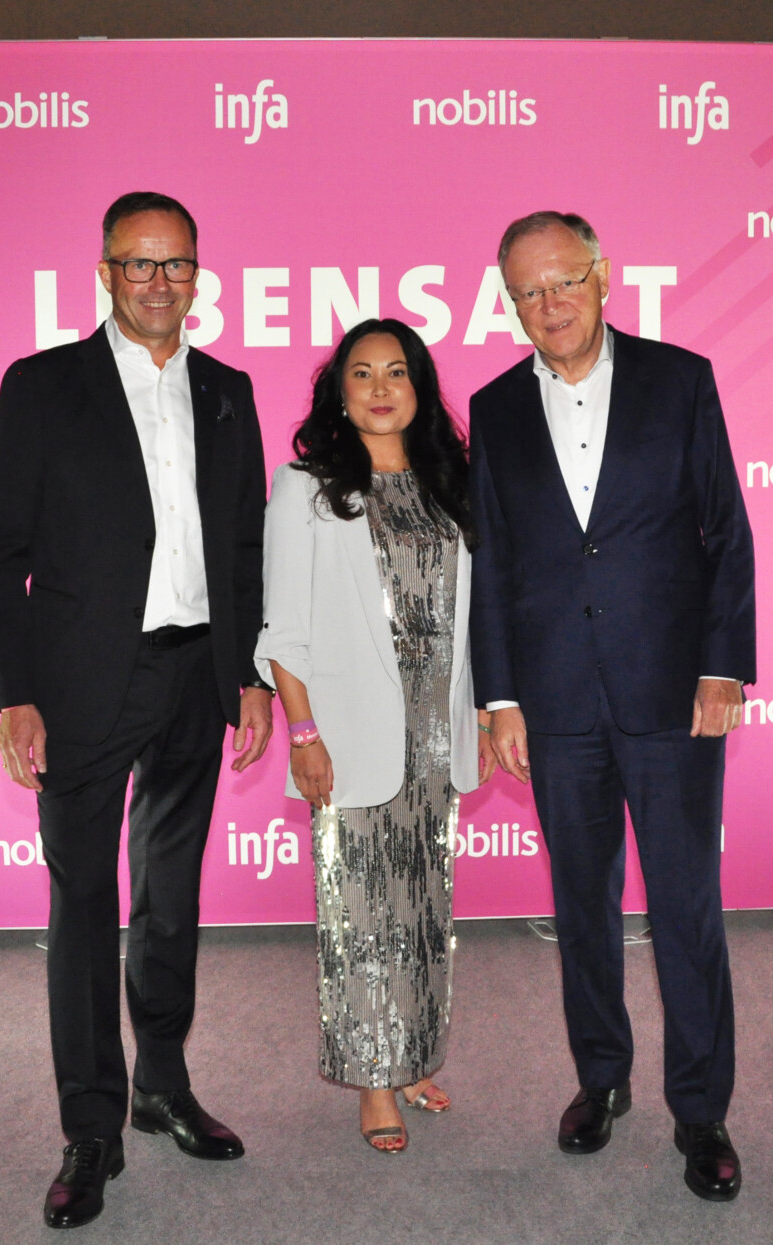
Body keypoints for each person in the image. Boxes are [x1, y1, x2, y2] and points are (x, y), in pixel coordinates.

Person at [0, 191, 275, 1229]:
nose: (158, 281)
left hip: (197, 677)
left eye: (176, 263)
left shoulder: (229, 391)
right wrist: (14, 692)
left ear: (198, 275)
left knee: (171, 900)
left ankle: (162, 1083)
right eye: (138, 263)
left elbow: (245, 547)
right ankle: (91, 1126)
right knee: (84, 907)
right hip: (78, 686)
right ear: (105, 272)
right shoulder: (43, 385)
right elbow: (0, 556)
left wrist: (251, 675)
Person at [468, 212, 755, 1202]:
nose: (550, 304)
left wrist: (723, 665)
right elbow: (492, 562)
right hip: (553, 701)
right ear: (511, 303)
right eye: (528, 291)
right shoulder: (495, 407)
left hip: (672, 692)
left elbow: (725, 530)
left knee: (685, 904)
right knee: (580, 905)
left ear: (602, 275)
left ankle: (702, 1108)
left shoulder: (682, 379)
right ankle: (601, 1076)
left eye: (564, 281)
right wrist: (500, 695)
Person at [255, 318, 492, 1154]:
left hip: (436, 733)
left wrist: (482, 713)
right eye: (363, 373)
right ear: (339, 391)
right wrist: (303, 731)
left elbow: (476, 615)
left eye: (397, 371)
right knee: (359, 910)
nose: (382, 387)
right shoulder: (306, 488)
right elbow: (283, 629)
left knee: (425, 907)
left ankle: (414, 1056)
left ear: (420, 387)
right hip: (349, 732)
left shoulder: (451, 484)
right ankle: (373, 1079)